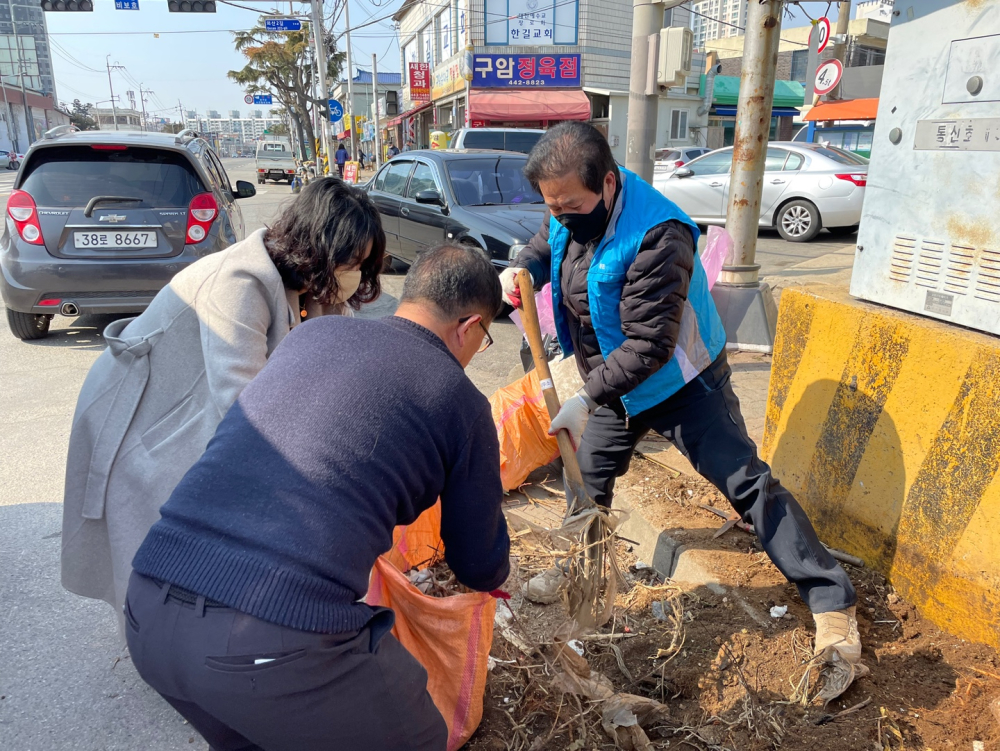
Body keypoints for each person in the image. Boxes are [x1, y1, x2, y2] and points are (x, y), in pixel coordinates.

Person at [499, 122, 861, 666]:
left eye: (571, 204)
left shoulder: (660, 234)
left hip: (683, 383)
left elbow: (649, 346)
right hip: (614, 387)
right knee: (587, 479)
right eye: (553, 206)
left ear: (610, 183)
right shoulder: (566, 215)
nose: (563, 216)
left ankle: (832, 603)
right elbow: (544, 246)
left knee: (746, 484)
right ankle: (582, 565)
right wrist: (519, 267)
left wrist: (584, 398)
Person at [124, 244, 510, 751]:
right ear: (470, 326)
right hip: (265, 639)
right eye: (482, 341)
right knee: (416, 734)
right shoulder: (460, 402)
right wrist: (498, 571)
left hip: (146, 610)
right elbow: (479, 563)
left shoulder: (314, 335)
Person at [61, 178, 386, 634]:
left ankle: (184, 633)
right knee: (153, 524)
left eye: (362, 264)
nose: (354, 274)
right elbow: (242, 402)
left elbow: (343, 355)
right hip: (143, 408)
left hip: (192, 402)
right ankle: (155, 643)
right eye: (349, 261)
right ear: (316, 248)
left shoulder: (314, 289)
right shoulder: (239, 282)